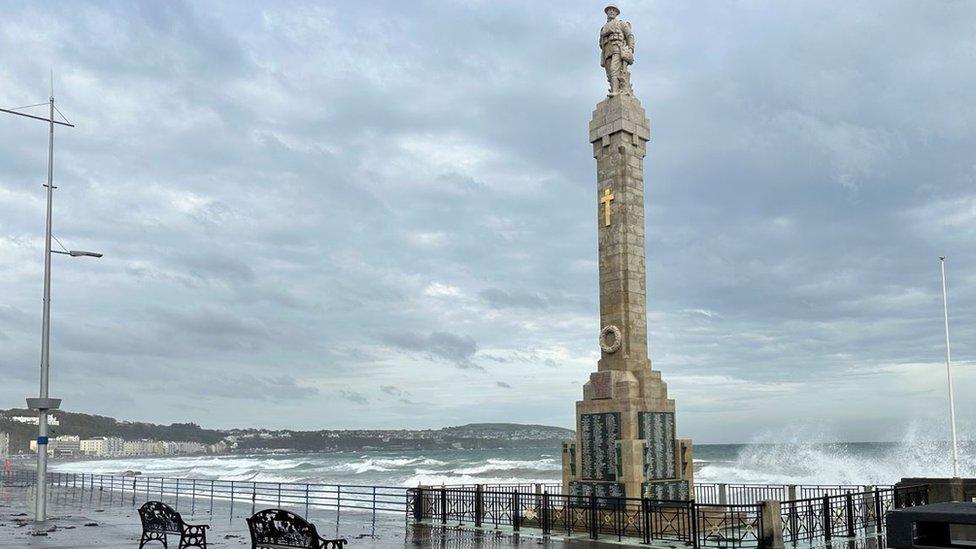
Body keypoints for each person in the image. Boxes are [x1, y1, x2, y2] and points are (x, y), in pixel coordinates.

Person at [599, 4, 636, 96]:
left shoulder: (620, 23)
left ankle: (615, 91)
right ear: (606, 12)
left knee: (614, 69)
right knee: (609, 75)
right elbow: (600, 42)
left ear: (616, 13)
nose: (611, 11)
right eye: (609, 10)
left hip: (617, 48)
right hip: (607, 51)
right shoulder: (603, 28)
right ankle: (614, 89)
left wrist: (630, 48)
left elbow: (629, 35)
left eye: (613, 10)